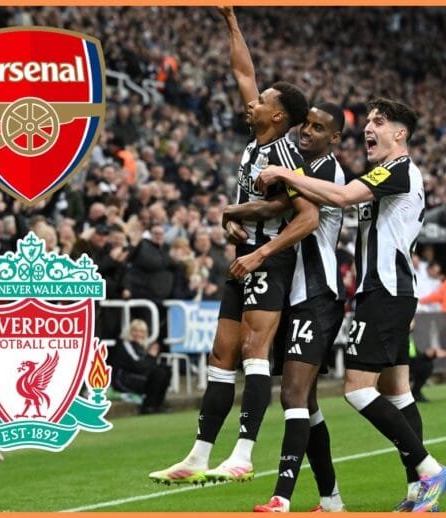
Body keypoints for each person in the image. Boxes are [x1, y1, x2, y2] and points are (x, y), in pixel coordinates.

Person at [259, 98, 446, 512]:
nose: (368, 128)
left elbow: (343, 197)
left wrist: (282, 172)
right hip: (390, 290)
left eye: (379, 122)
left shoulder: (397, 169)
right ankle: (419, 491)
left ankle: (429, 467)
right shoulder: (386, 173)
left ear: (399, 134)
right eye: (367, 121)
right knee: (398, 392)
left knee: (356, 390)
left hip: (383, 291)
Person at [149, 6, 313, 486]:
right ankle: (199, 455)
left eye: (260, 101)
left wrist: (257, 244)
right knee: (221, 356)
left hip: (270, 261)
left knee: (253, 351)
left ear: (277, 114)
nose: (251, 102)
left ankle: (242, 453)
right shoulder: (257, 140)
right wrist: (231, 21)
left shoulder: (284, 154)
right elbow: (243, 71)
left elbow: (304, 214)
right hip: (241, 260)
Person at [224, 102, 350, 512]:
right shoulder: (298, 168)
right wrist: (233, 214)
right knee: (307, 401)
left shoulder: (325, 171)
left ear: (334, 138)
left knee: (293, 394)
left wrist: (233, 210)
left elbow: (285, 210)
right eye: (306, 125)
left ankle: (281, 497)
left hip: (317, 293)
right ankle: (331, 499)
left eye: (318, 128)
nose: (307, 132)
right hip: (293, 292)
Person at [108, 319, 172, 414]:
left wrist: (152, 358)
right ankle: (148, 406)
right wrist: (151, 356)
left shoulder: (141, 346)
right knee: (158, 373)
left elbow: (146, 366)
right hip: (122, 380)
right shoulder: (126, 345)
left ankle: (158, 404)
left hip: (135, 376)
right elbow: (138, 367)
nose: (138, 334)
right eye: (135, 331)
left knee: (165, 369)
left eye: (141, 332)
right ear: (130, 332)